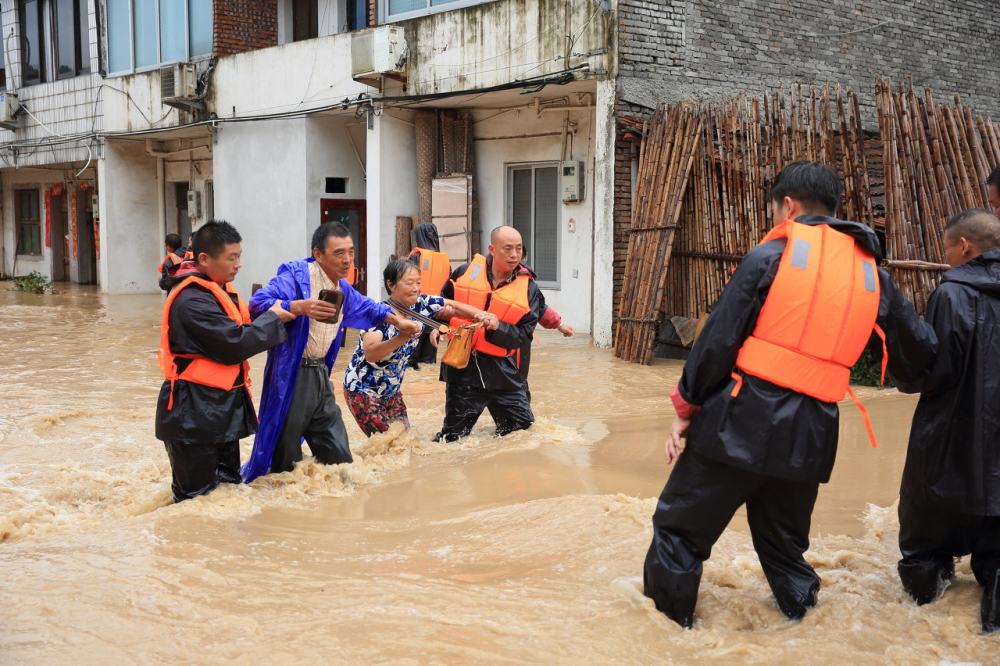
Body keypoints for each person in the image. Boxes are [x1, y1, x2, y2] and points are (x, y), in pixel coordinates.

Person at [642, 161, 931, 628]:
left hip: (738, 421)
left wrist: (686, 406)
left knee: (678, 534)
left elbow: (718, 340)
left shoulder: (771, 256)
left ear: (789, 206)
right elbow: (919, 357)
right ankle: (804, 628)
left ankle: (665, 639)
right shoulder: (873, 276)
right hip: (811, 435)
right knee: (783, 549)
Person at [241, 222, 421, 482]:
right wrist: (298, 307)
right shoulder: (294, 276)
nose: (348, 260)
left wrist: (398, 322)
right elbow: (257, 304)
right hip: (291, 377)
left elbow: (372, 309)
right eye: (339, 253)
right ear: (318, 254)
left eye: (350, 252)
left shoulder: (342, 289)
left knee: (341, 460)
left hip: (321, 377)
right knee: (284, 463)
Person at [894, 208, 1000, 633]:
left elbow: (934, 371)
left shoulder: (952, 295)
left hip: (950, 435)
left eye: (947, 249)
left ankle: (919, 629)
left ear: (964, 247)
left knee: (926, 542)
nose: (947, 257)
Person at [155, 220, 292, 502]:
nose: (238, 264)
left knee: (227, 492)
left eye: (239, 256)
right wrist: (274, 318)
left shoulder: (215, 291)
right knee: (195, 501)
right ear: (204, 259)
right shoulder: (193, 301)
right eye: (232, 258)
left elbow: (241, 328)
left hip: (219, 409)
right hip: (193, 412)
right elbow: (234, 344)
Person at [343, 259, 487, 436]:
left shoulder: (421, 304)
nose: (416, 288)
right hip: (363, 392)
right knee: (389, 446)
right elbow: (371, 353)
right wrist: (401, 337)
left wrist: (481, 315)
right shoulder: (380, 314)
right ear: (391, 284)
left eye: (418, 283)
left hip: (391, 392)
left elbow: (451, 305)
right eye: (409, 283)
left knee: (405, 443)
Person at [435, 225, 546, 442]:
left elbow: (524, 335)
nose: (515, 255)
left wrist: (498, 326)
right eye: (507, 249)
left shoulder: (529, 289)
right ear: (492, 249)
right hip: (463, 371)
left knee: (522, 436)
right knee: (452, 440)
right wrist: (437, 326)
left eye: (519, 249)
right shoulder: (463, 274)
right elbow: (439, 307)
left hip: (505, 373)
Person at [408, 221, 448, 370]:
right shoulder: (444, 260)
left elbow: (407, 280)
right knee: (429, 360)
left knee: (411, 358)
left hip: (416, 307)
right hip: (437, 308)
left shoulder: (416, 257)